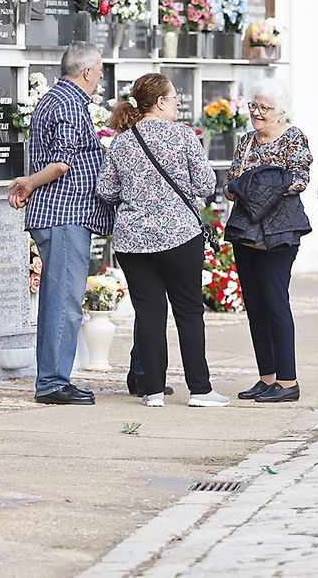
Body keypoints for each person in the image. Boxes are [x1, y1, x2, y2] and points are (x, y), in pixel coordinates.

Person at [94, 74, 223, 407]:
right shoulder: (183, 136)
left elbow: (105, 190)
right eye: (174, 96)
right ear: (161, 101)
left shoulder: (122, 140)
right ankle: (200, 390)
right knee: (189, 312)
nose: (178, 101)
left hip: (133, 241)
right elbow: (207, 185)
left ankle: (152, 391)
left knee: (149, 314)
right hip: (179, 235)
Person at [7, 42, 111, 405]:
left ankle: (53, 378)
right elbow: (61, 164)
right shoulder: (69, 104)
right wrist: (29, 183)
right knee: (64, 301)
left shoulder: (54, 98)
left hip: (59, 214)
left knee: (57, 298)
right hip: (65, 214)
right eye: (99, 71)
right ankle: (53, 382)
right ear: (86, 72)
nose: (100, 78)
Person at [225, 79, 314, 403]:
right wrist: (248, 185)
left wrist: (256, 187)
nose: (257, 113)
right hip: (246, 232)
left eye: (265, 108)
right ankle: (267, 377)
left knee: (276, 302)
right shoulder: (246, 141)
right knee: (255, 306)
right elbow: (231, 181)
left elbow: (299, 179)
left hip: (279, 232)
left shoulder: (293, 137)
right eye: (254, 106)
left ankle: (288, 381)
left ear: (280, 112)